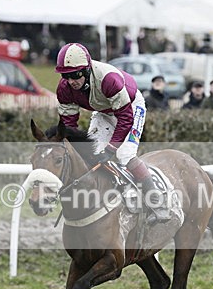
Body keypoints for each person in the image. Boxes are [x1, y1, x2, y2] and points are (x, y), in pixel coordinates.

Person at [54, 42, 170, 222]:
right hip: (104, 111)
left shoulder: (108, 79)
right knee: (92, 153)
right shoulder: (64, 89)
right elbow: (69, 124)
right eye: (65, 76)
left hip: (130, 108)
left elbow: (125, 119)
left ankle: (157, 202)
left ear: (86, 70)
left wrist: (111, 149)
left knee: (124, 154)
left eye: (75, 75)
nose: (71, 81)